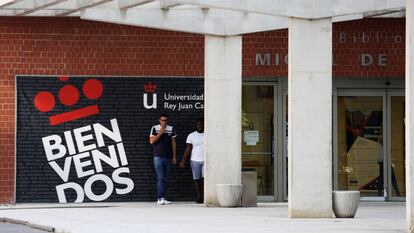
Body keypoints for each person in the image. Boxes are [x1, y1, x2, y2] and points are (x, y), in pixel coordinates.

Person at [149, 113, 177, 205]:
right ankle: (159, 198)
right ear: (159, 120)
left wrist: (174, 156)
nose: (164, 122)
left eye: (165, 120)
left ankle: (163, 198)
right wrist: (160, 132)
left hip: (168, 157)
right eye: (162, 120)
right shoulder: (154, 128)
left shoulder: (171, 128)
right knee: (160, 177)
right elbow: (152, 141)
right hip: (158, 157)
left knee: (165, 178)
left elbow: (173, 143)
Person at [180, 118, 204, 204]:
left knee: (204, 179)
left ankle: (205, 196)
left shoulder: (209, 134)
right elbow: (188, 148)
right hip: (195, 160)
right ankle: (199, 197)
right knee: (197, 179)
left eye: (201, 124)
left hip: (206, 160)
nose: (200, 126)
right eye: (198, 125)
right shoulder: (191, 135)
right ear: (196, 126)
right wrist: (183, 161)